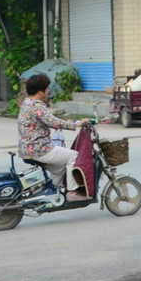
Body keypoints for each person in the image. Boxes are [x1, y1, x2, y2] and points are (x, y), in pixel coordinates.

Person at [18, 72, 91, 201]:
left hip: (27, 149)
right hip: (40, 149)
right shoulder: (36, 106)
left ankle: (53, 194)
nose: (48, 92)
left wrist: (68, 122)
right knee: (73, 156)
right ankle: (72, 193)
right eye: (47, 89)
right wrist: (76, 124)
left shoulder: (27, 103)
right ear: (41, 91)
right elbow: (53, 122)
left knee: (59, 168)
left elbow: (48, 120)